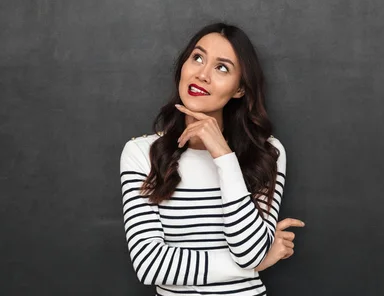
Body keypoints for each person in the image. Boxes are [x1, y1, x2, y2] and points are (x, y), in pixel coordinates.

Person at [119, 23, 304, 295]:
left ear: (240, 89)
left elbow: (249, 252)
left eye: (222, 68)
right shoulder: (142, 153)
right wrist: (257, 265)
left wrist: (225, 157)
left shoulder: (266, 152)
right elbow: (149, 265)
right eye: (198, 58)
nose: (203, 74)